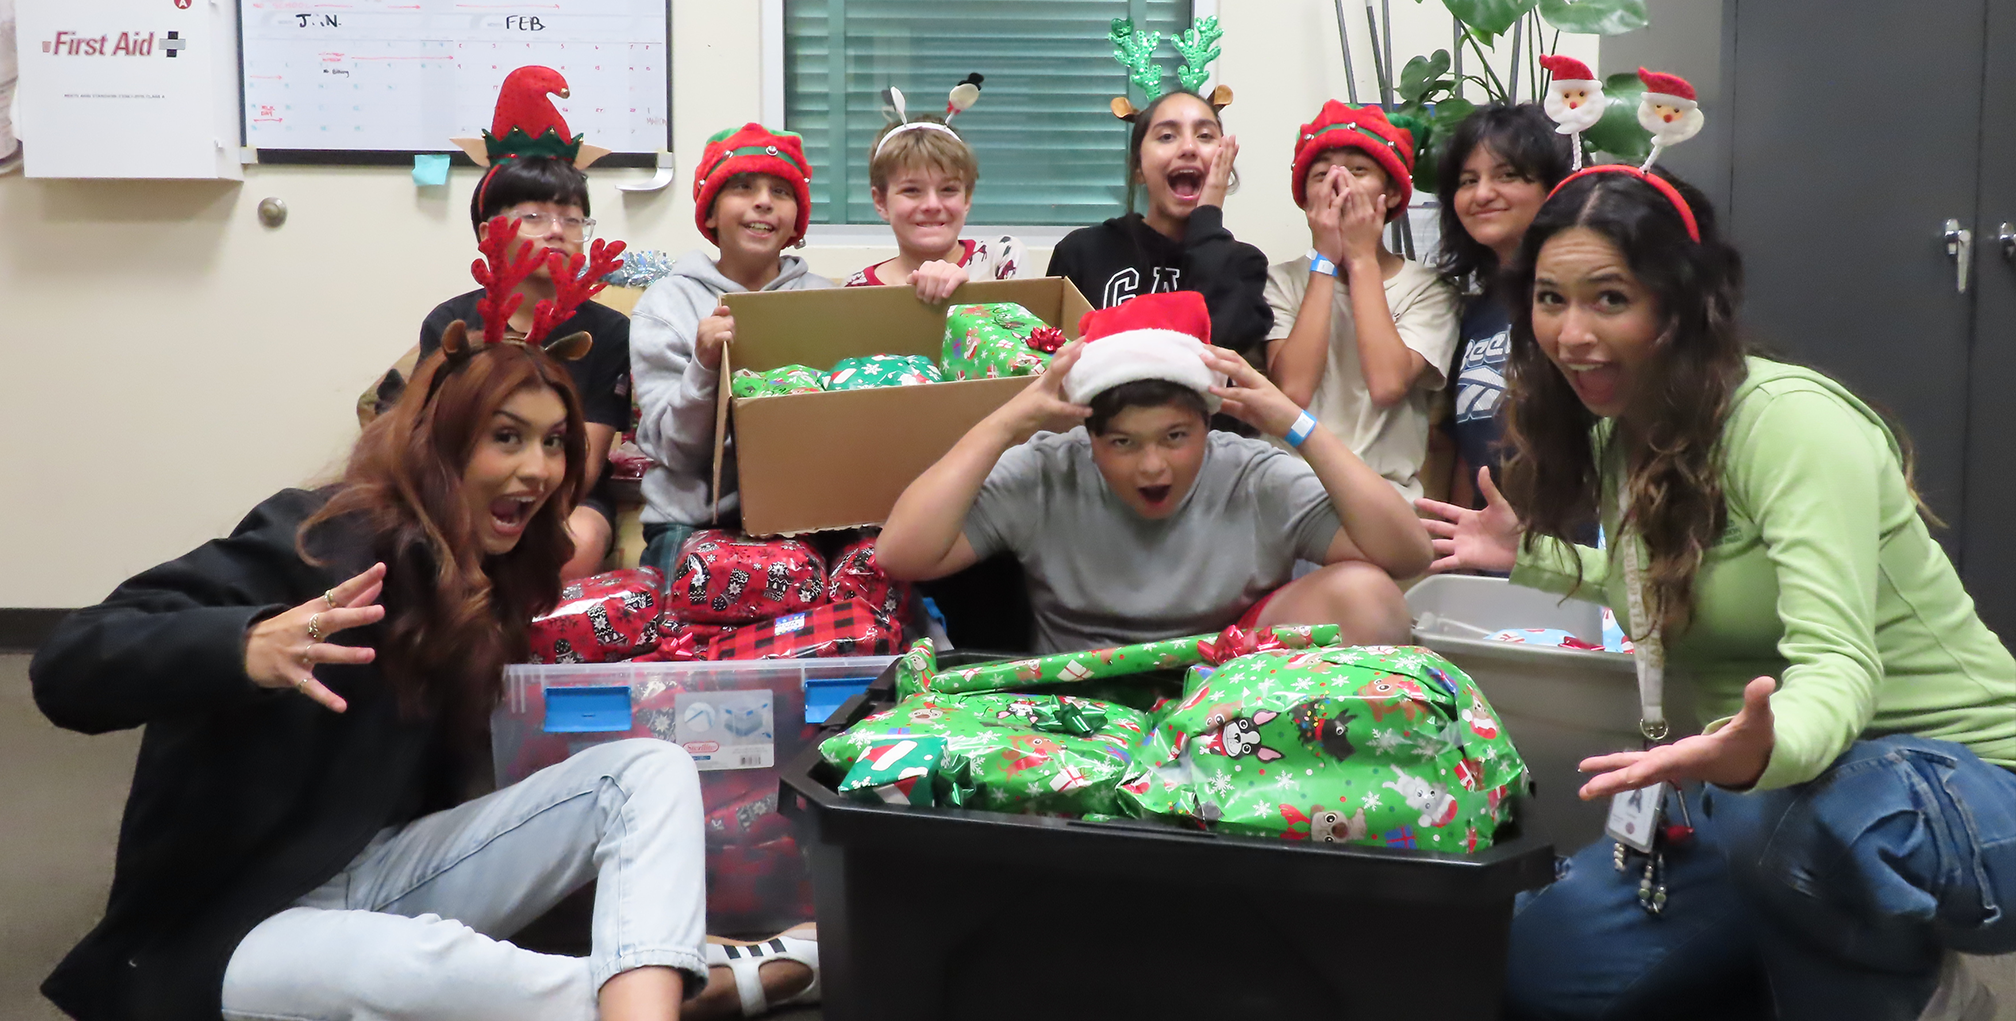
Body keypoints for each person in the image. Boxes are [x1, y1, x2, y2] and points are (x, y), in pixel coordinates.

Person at [33, 305, 817, 1019]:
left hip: (379, 872)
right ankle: (687, 986)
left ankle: (652, 990)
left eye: (553, 442)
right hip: (231, 923)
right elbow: (68, 664)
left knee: (648, 768)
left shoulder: (498, 579)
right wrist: (245, 644)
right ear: (442, 443)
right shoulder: (322, 537)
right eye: (506, 437)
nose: (539, 468)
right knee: (416, 966)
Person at [1417, 165, 2016, 1020]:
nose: (1572, 334)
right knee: (1545, 966)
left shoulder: (1791, 422)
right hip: (1767, 792)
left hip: (1960, 783)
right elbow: (1685, 591)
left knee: (1791, 823)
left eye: (1610, 298)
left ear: (1681, 302)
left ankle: (1927, 1000)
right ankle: (1796, 956)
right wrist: (1535, 556)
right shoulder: (1625, 435)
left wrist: (1761, 754)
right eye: (1551, 299)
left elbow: (1840, 664)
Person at [877, 290, 1429, 653]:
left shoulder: (1252, 475)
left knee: (1367, 595)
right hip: (1083, 703)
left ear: (1208, 425)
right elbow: (901, 553)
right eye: (1123, 442)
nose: (1152, 465)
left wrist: (1296, 424)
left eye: (1175, 437)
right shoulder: (1049, 469)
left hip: (1231, 699)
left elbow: (1408, 554)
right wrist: (1006, 423)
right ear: (1089, 437)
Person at [361, 69, 633, 581]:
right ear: (489, 232)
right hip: (465, 487)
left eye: (572, 219)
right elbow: (427, 437)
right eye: (533, 216)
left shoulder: (608, 331)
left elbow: (586, 462)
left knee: (575, 544)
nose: (556, 231)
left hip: (561, 494)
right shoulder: (452, 321)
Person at [629, 124, 836, 575]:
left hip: (803, 517)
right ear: (710, 214)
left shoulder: (825, 301)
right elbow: (676, 453)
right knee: (674, 614)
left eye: (781, 191)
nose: (763, 201)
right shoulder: (667, 304)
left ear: (796, 223)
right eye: (743, 187)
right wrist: (705, 367)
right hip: (691, 520)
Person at [1263, 100, 1459, 500]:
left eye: (1358, 170)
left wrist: (1362, 259)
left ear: (1391, 194)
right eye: (1322, 174)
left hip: (1387, 498)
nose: (1339, 183)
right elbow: (1293, 392)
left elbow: (1387, 385)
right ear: (1306, 200)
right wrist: (1324, 260)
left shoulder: (1429, 290)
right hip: (1289, 496)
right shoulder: (1279, 281)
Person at [1045, 88, 1273, 365]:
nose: (1189, 148)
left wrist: (1208, 216)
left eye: (1204, 136)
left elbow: (1215, 353)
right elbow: (1043, 360)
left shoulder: (1243, 264)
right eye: (1166, 136)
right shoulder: (1083, 252)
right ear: (1138, 168)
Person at [1429, 102, 1572, 509]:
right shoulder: (1472, 312)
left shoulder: (1578, 304)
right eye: (1468, 180)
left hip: (1572, 537)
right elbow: (1466, 452)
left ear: (1555, 186)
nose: (1482, 194)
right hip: (1490, 538)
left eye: (1507, 175)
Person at [845, 78, 1023, 300]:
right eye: (911, 190)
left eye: (948, 189)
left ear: (967, 198)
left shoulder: (1001, 259)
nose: (932, 205)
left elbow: (1025, 321)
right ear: (880, 201)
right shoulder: (856, 290)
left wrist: (964, 293)